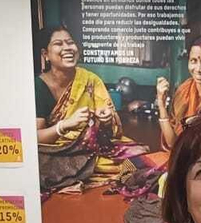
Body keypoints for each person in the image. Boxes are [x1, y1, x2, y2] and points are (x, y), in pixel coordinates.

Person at [35, 24, 133, 192]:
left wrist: (106, 120)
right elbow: (36, 137)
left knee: (135, 161)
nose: (67, 48)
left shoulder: (90, 80)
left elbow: (110, 134)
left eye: (70, 42)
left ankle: (77, 173)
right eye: (59, 43)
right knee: (39, 165)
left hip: (89, 149)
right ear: (46, 54)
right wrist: (64, 125)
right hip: (56, 153)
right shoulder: (38, 85)